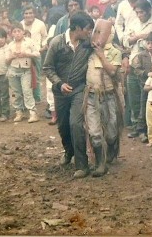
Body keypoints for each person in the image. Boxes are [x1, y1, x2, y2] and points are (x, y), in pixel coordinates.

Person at [43, 11, 94, 178]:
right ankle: (68, 152)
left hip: (79, 90)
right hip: (60, 92)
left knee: (76, 124)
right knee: (63, 126)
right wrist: (59, 83)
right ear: (77, 28)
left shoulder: (88, 44)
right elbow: (47, 67)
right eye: (87, 29)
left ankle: (82, 164)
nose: (89, 32)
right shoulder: (57, 43)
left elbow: (109, 45)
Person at [83, 21, 122, 176]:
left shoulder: (115, 52)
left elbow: (113, 72)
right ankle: (100, 163)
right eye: (96, 31)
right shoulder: (87, 50)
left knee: (112, 129)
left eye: (101, 32)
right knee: (94, 131)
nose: (98, 35)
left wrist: (101, 55)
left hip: (109, 95)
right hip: (91, 95)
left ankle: (112, 147)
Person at [124, 0, 152, 141]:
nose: (139, 15)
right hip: (133, 61)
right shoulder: (133, 23)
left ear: (148, 11)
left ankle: (144, 129)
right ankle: (135, 126)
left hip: (148, 65)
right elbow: (126, 41)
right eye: (137, 12)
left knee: (144, 97)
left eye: (142, 12)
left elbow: (151, 39)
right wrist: (140, 37)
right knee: (133, 96)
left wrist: (137, 37)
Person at [6, 23, 40, 123]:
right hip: (13, 70)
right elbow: (6, 60)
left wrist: (27, 54)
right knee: (16, 92)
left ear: (23, 32)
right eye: (14, 31)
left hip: (26, 70)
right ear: (11, 33)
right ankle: (19, 112)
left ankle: (33, 113)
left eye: (19, 31)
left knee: (27, 91)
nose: (17, 34)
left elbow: (37, 53)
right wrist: (12, 56)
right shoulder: (10, 45)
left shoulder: (29, 42)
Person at [20, 5, 47, 103]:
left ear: (34, 14)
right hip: (23, 55)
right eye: (26, 13)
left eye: (30, 13)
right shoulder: (20, 25)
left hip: (36, 54)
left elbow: (45, 37)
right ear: (23, 15)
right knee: (24, 76)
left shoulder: (40, 24)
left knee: (36, 76)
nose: (28, 15)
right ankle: (26, 98)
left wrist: (42, 48)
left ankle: (37, 98)